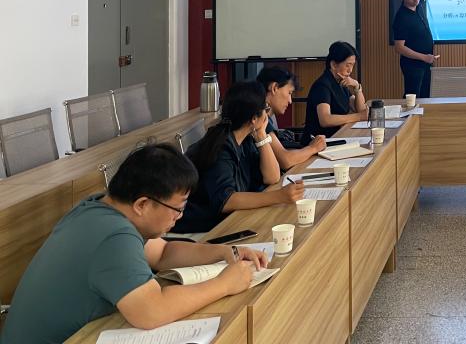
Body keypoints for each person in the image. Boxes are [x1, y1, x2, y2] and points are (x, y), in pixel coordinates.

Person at [0, 144, 268, 344]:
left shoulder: (100, 208)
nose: (179, 217)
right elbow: (151, 311)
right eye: (177, 209)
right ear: (142, 204)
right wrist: (224, 284)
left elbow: (163, 252)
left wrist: (224, 252)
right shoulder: (113, 235)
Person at [175, 81, 304, 234]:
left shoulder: (245, 138)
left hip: (229, 219)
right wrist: (279, 196)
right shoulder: (220, 147)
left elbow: (272, 177)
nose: (267, 115)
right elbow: (226, 201)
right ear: (253, 118)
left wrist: (261, 135)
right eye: (265, 109)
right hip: (205, 228)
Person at [393, 0, 452, 99]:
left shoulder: (418, 4)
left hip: (426, 61)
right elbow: (399, 48)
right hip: (413, 65)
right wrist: (424, 57)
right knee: (413, 96)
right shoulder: (402, 17)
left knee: (426, 95)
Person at [256, 66, 327, 169]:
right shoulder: (259, 118)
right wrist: (313, 148)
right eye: (289, 93)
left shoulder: (265, 115)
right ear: (274, 88)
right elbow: (286, 160)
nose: (290, 101)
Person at [304, 41, 368, 139]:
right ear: (334, 65)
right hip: (320, 142)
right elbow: (325, 120)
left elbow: (360, 109)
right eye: (347, 65)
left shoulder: (341, 82)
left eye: (352, 65)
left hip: (336, 136)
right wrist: (359, 116)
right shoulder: (322, 85)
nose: (350, 70)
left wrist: (356, 86)